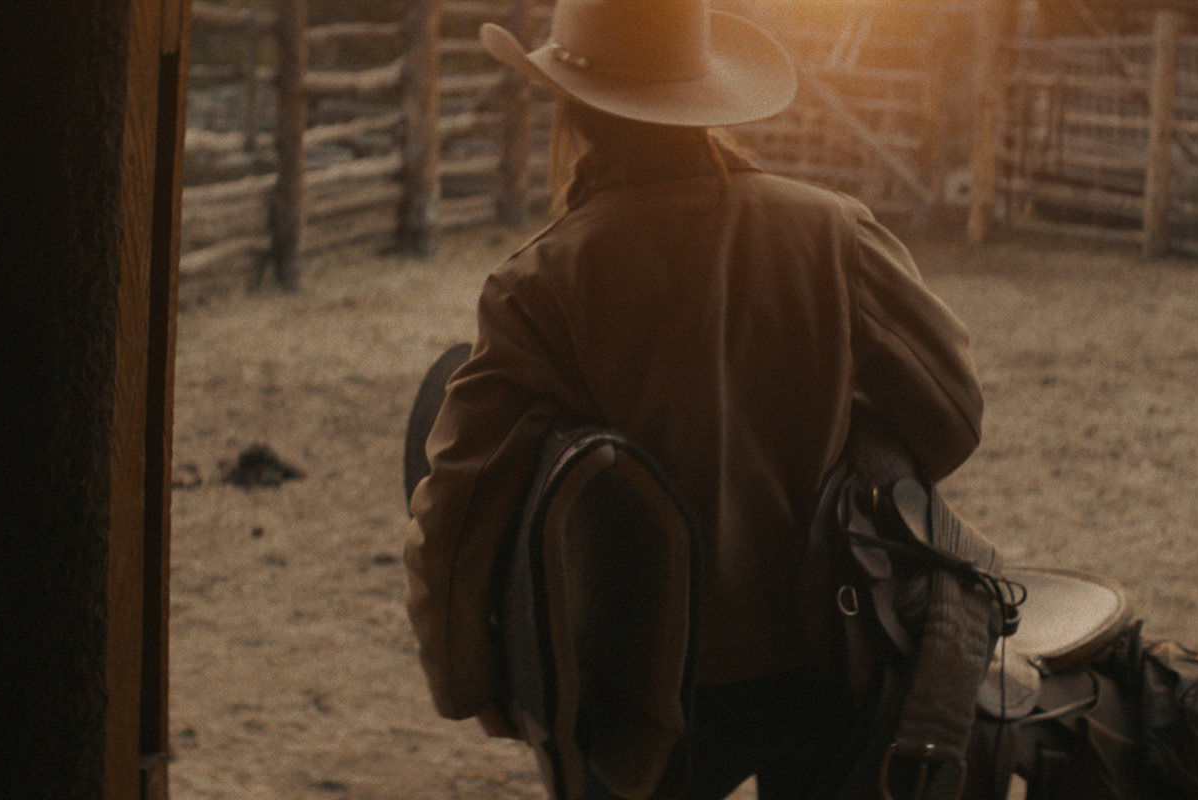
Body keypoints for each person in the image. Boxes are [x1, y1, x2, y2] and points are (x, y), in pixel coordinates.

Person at [402, 1, 984, 797]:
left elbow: (459, 509)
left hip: (636, 686)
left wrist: (467, 680)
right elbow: (953, 417)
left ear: (575, 112)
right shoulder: (833, 234)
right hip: (829, 647)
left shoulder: (539, 283)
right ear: (704, 96)